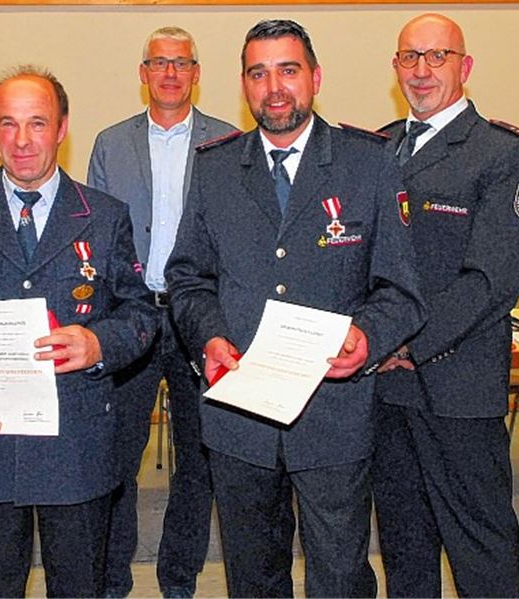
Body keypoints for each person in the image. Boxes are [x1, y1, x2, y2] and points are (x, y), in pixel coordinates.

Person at [165, 19, 426, 597]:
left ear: (315, 78)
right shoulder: (214, 167)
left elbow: (402, 289)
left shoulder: (369, 163)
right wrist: (207, 337)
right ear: (243, 85)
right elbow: (186, 277)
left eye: (288, 70)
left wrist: (366, 337)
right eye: (259, 73)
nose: (274, 87)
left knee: (339, 575)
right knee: (253, 578)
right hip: (240, 417)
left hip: (333, 415)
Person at [0, 66, 157, 598]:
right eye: (8, 125)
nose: (22, 141)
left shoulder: (104, 215)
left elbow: (141, 316)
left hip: (77, 450)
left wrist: (98, 344)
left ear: (62, 128)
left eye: (37, 124)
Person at [371, 13, 519, 598]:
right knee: (404, 546)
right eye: (410, 58)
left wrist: (407, 343)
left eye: (437, 56)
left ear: (464, 66)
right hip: (386, 390)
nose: (422, 71)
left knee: (481, 551)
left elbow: (492, 279)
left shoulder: (502, 152)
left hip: (457, 387)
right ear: (396, 68)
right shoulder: (380, 147)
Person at [86, 26, 238, 598]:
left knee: (200, 461)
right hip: (133, 319)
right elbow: (98, 240)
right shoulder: (110, 143)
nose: (170, 73)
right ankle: (112, 578)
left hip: (201, 320)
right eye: (158, 63)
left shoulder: (227, 141)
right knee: (117, 457)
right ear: (143, 73)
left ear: (197, 73)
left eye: (181, 63)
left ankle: (180, 578)